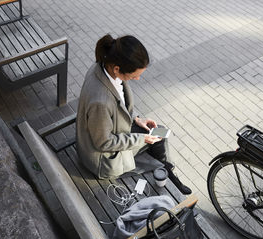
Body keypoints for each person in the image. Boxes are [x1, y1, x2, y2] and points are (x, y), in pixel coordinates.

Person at [76, 34, 191, 195]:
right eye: (134, 75)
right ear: (117, 68)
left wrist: (137, 118)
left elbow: (119, 104)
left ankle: (167, 172)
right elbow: (103, 143)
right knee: (155, 142)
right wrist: (141, 139)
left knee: (158, 133)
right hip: (104, 159)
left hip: (112, 133)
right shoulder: (100, 102)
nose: (137, 79)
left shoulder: (103, 67)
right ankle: (167, 176)